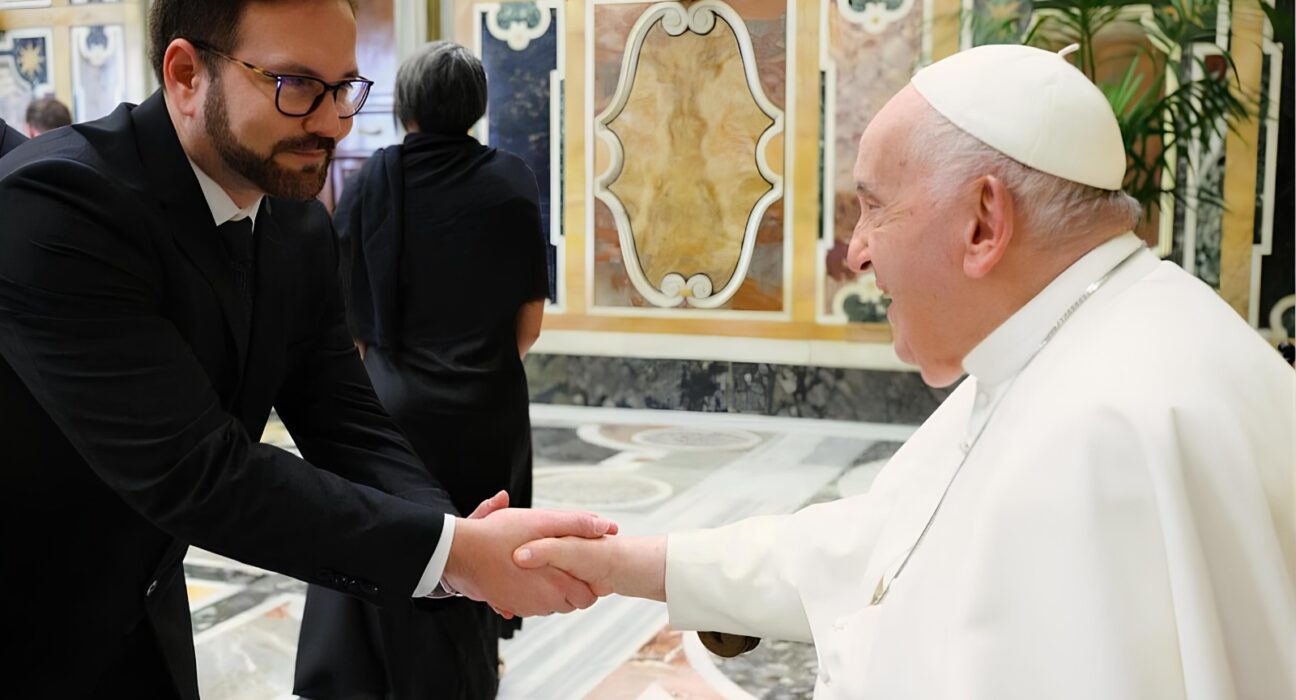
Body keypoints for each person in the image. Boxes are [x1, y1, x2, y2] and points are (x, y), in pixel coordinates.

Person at [512, 44, 1296, 699]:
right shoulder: (1085, 337)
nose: (855, 252)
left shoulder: (1100, 431)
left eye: (873, 207)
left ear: (983, 223)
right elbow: (880, 547)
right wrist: (626, 563)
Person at [0, 2, 612, 698]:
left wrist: (452, 532)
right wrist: (455, 556)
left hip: (141, 613)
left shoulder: (292, 217)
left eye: (344, 87)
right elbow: (199, 471)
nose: (332, 122)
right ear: (186, 74)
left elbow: (343, 416)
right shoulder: (60, 203)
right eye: (296, 85)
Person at [292, 41, 549, 700]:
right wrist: (479, 372)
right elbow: (528, 324)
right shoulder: (512, 180)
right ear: (476, 106)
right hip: (488, 407)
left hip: (393, 404)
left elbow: (346, 321)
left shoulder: (371, 180)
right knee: (482, 549)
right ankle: (472, 674)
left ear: (403, 105)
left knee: (392, 546)